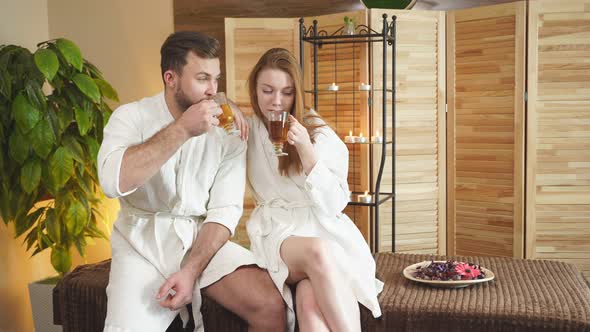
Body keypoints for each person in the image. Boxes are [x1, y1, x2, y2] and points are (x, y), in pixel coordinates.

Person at [97, 32, 285, 332]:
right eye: (202, 79)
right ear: (170, 78)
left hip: (199, 237)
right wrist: (182, 129)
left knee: (271, 305)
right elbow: (111, 181)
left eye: (216, 79)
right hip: (140, 243)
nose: (213, 90)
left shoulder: (229, 129)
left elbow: (225, 211)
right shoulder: (129, 117)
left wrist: (189, 270)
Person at [245, 48, 383, 332]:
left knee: (309, 305)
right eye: (267, 90)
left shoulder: (317, 132)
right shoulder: (246, 131)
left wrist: (307, 151)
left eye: (286, 92)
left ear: (297, 94)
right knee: (318, 252)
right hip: (278, 232)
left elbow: (335, 205)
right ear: (254, 89)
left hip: (323, 231)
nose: (276, 102)